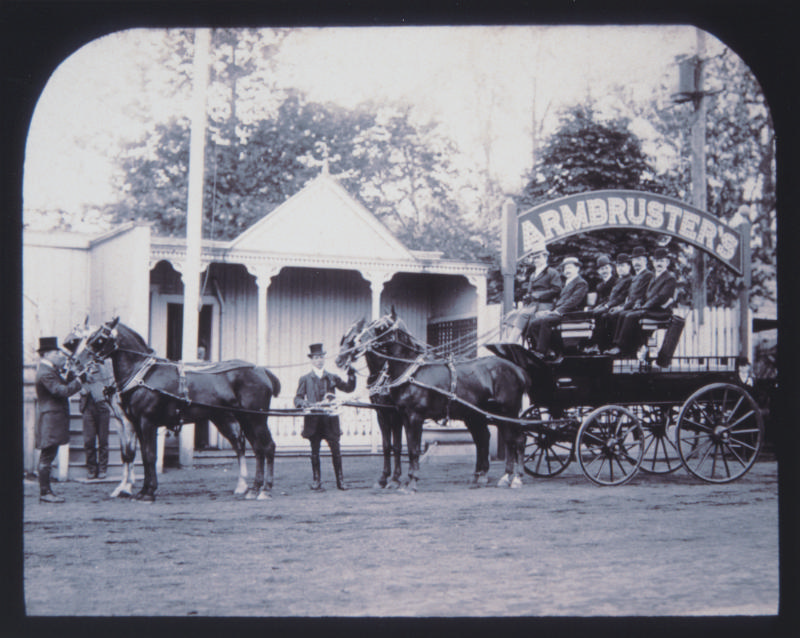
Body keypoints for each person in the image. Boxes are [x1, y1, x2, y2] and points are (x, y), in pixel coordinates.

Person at [294, 343, 357, 491]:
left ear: (324, 359)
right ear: (311, 360)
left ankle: (340, 481)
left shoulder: (332, 377)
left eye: (321, 357)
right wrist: (304, 403)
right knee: (314, 452)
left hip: (330, 420)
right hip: (313, 420)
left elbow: (348, 388)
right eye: (316, 358)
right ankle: (317, 481)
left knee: (336, 451)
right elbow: (297, 398)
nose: (319, 360)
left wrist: (352, 375)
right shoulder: (305, 379)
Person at [34, 336, 83, 503]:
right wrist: (80, 381)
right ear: (47, 354)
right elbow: (61, 391)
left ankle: (45, 491)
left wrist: (73, 374)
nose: (59, 355)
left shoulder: (50, 370)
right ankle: (45, 492)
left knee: (48, 456)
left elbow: (63, 385)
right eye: (56, 352)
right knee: (47, 457)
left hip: (52, 419)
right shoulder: (46, 372)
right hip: (50, 420)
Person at [608, 247, 678, 356]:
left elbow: (661, 297)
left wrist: (644, 307)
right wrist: (639, 303)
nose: (659, 264)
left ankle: (623, 347)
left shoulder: (669, 278)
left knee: (630, 316)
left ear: (667, 262)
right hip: (650, 308)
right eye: (657, 261)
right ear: (653, 263)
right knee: (623, 314)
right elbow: (646, 295)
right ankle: (619, 345)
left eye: (662, 261)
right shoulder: (654, 276)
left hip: (660, 311)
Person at [526, 256, 589, 361]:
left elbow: (573, 301)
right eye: (565, 268)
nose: (567, 270)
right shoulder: (568, 283)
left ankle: (542, 352)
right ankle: (545, 349)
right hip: (561, 313)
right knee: (534, 322)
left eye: (570, 267)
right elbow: (561, 301)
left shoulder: (581, 283)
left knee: (545, 321)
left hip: (571, 314)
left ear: (577, 269)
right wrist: (550, 311)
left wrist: (557, 312)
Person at [602, 245, 654, 353]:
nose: (636, 263)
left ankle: (622, 347)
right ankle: (609, 345)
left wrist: (623, 307)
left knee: (620, 314)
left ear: (645, 261)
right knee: (610, 314)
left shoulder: (648, 275)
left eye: (639, 259)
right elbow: (629, 296)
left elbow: (638, 296)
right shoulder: (636, 276)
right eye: (634, 260)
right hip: (631, 305)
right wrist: (621, 306)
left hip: (640, 306)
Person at [504, 245, 562, 343]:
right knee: (511, 315)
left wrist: (539, 295)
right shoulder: (533, 275)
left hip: (545, 304)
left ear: (545, 257)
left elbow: (557, 289)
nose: (535, 260)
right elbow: (530, 291)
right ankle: (509, 342)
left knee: (523, 315)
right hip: (532, 305)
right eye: (534, 258)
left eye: (538, 257)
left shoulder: (552, 272)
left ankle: (512, 342)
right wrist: (527, 296)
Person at [585, 253, 633, 354]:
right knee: (595, 314)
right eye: (601, 269)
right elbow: (603, 299)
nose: (604, 271)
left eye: (606, 268)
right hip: (608, 305)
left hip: (616, 306)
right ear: (598, 271)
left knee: (603, 315)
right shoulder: (600, 285)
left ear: (611, 268)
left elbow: (619, 297)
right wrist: (598, 306)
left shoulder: (616, 281)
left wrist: (605, 306)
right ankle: (596, 344)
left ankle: (602, 345)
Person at [78, 360, 114, 479]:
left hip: (102, 406)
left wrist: (98, 365)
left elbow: (108, 380)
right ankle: (91, 468)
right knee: (89, 440)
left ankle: (103, 468)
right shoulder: (80, 365)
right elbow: (74, 380)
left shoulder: (104, 366)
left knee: (103, 440)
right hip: (87, 406)